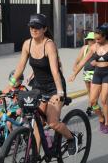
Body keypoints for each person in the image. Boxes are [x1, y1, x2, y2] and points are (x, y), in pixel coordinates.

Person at [6, 14, 78, 155]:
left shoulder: (49, 45)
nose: (34, 29)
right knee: (36, 123)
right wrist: (10, 85)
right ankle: (35, 156)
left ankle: (71, 138)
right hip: (38, 86)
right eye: (32, 26)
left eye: (37, 27)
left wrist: (59, 93)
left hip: (54, 87)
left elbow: (55, 71)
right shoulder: (28, 44)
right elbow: (20, 67)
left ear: (44, 29)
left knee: (52, 122)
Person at [69, 25, 108, 134]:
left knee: (103, 100)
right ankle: (101, 117)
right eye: (95, 39)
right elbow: (84, 60)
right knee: (93, 101)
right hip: (97, 73)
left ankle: (107, 123)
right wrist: (74, 74)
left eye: (98, 39)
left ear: (104, 37)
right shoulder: (94, 47)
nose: (96, 41)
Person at [73, 32, 96, 116]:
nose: (89, 41)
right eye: (88, 40)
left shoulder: (98, 48)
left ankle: (90, 106)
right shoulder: (85, 48)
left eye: (91, 39)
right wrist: (75, 65)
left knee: (94, 90)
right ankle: (93, 104)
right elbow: (79, 58)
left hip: (95, 72)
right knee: (89, 90)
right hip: (86, 71)